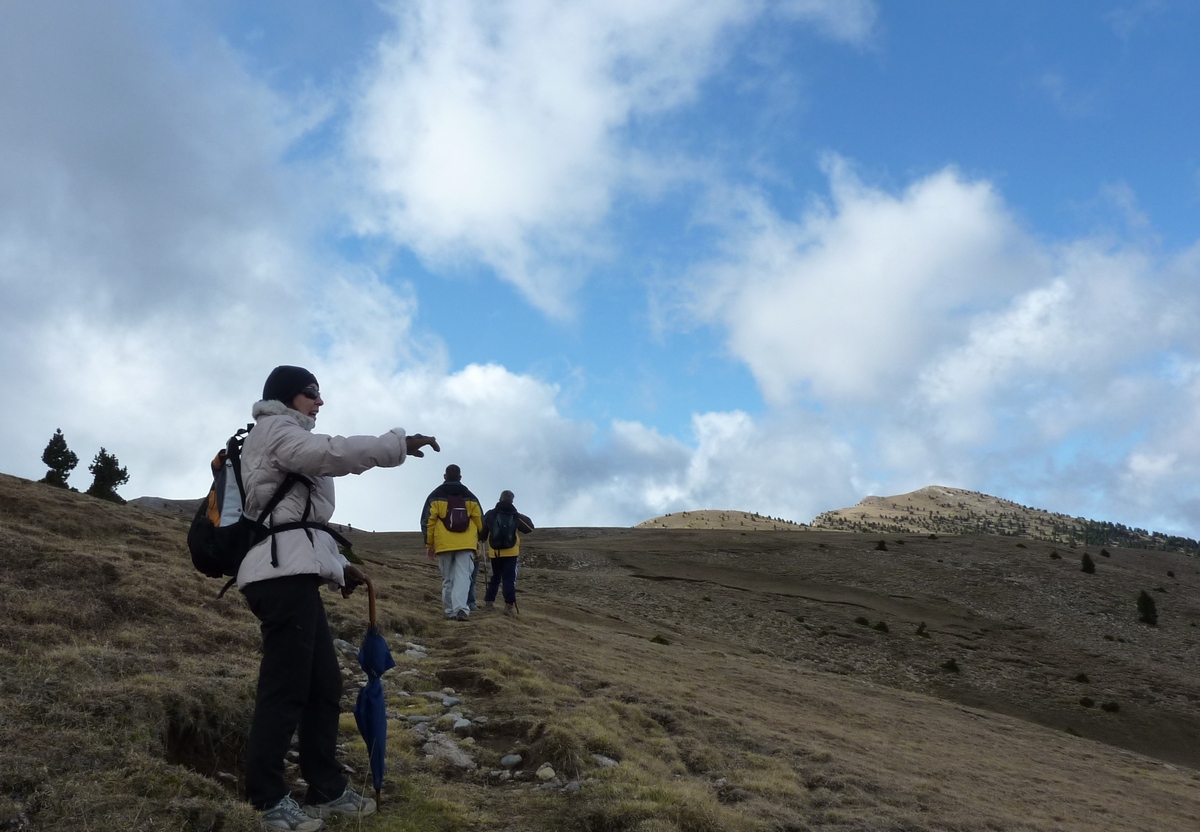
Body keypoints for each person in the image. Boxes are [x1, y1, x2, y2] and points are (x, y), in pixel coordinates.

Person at [238, 365, 439, 831]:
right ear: (286, 397)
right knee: (287, 686)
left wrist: (338, 568)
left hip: (289, 573)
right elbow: (331, 453)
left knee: (323, 686)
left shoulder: (283, 434)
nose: (320, 401)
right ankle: (266, 799)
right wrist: (395, 445)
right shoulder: (275, 430)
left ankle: (325, 788)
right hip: (279, 577)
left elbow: (299, 524)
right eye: (311, 393)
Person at [420, 464, 482, 621]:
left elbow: (428, 522)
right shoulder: (471, 497)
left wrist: (429, 544)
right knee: (463, 577)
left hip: (444, 544)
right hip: (466, 544)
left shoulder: (435, 496)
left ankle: (449, 611)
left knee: (447, 579)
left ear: (445, 476)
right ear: (460, 477)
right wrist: (480, 541)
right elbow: (479, 520)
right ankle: (461, 609)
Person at [480, 490, 535, 616]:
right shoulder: (515, 515)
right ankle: (508, 606)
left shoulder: (491, 514)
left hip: (495, 553)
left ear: (500, 499)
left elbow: (482, 533)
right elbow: (529, 528)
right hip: (511, 553)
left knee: (495, 578)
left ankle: (489, 603)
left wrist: (482, 539)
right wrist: (519, 514)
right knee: (509, 579)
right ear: (512, 500)